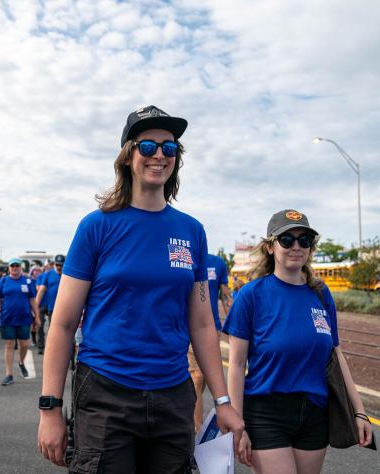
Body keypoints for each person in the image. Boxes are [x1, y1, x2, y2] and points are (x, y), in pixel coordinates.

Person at [38, 105, 244, 472]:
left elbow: (201, 324)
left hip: (172, 394)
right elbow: (65, 323)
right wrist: (50, 408)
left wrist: (224, 400)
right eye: (147, 146)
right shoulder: (96, 227)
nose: (159, 155)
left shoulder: (191, 231)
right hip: (106, 393)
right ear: (128, 155)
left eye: (170, 148)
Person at [223, 209, 373, 473]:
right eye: (287, 240)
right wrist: (237, 424)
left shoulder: (321, 294)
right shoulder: (251, 296)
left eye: (304, 241)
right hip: (266, 412)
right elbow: (236, 365)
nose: (296, 246)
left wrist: (359, 411)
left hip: (315, 413)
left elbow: (336, 355)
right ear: (270, 247)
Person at [188, 252, 230, 433]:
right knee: (197, 377)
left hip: (213, 327)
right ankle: (196, 431)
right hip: (189, 325)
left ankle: (193, 419)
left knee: (204, 378)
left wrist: (232, 325)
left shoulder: (218, 263)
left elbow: (226, 296)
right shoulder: (185, 259)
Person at [0, 258, 40, 385]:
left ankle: (21, 362)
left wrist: (37, 316)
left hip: (24, 318)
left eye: (17, 266)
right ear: (9, 268)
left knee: (24, 344)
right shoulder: (3, 281)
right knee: (9, 345)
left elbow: (32, 300)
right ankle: (9, 374)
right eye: (12, 266)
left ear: (21, 267)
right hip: (8, 318)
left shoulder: (27, 281)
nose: (14, 268)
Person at [36, 254, 65, 355]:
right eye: (57, 265)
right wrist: (35, 306)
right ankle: (42, 346)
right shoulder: (48, 275)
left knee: (58, 331)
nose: (59, 267)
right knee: (44, 327)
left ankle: (57, 349)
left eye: (61, 265)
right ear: (54, 264)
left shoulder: (67, 275)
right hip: (51, 306)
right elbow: (41, 290)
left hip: (63, 308)